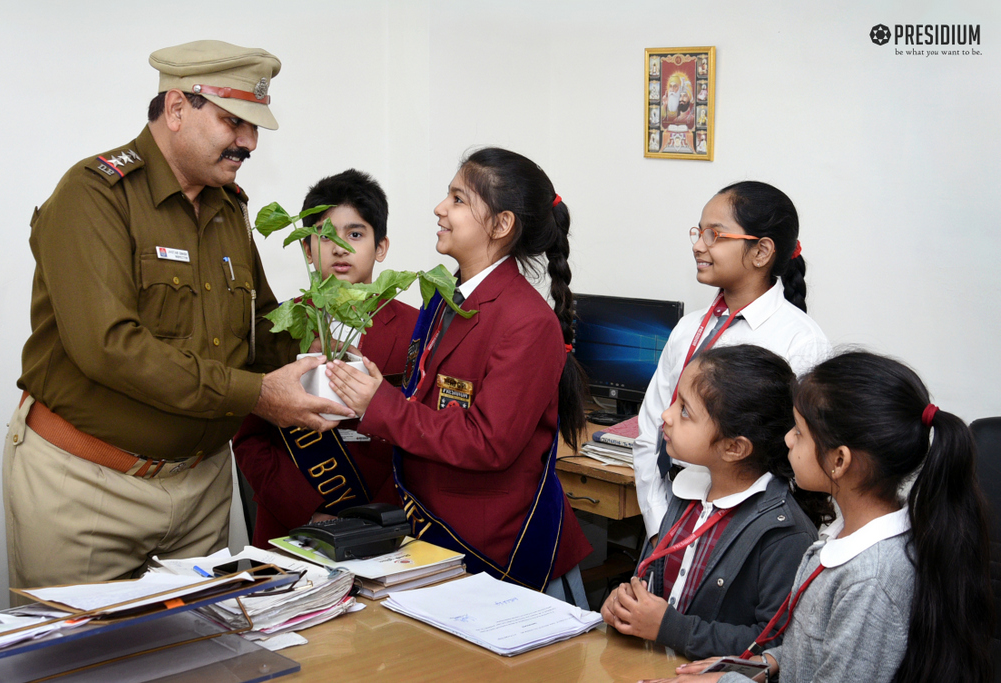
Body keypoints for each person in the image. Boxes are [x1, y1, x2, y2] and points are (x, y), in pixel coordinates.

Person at [3, 40, 351, 593]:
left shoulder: (227, 207)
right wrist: (258, 396)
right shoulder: (94, 196)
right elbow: (109, 347)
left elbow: (263, 326)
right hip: (90, 486)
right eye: (234, 121)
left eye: (256, 127)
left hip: (202, 487)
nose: (249, 142)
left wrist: (336, 362)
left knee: (202, 658)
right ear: (176, 108)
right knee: (84, 667)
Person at [326, 147, 594, 606]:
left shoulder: (527, 322)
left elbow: (489, 441)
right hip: (433, 531)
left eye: (457, 199)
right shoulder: (445, 298)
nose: (439, 209)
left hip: (497, 548)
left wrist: (381, 405)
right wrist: (369, 390)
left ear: (501, 224)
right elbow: (428, 403)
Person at [651, 351, 994, 682]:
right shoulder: (847, 535)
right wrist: (758, 666)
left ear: (839, 461)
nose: (787, 438)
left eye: (799, 432)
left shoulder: (870, 581)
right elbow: (815, 652)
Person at [633, 181, 832, 545]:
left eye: (714, 235)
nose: (698, 245)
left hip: (747, 533)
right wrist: (659, 525)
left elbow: (801, 455)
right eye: (699, 231)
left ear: (761, 252)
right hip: (669, 520)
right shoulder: (687, 328)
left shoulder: (801, 341)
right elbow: (649, 434)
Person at [603, 346, 830, 660]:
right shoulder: (687, 495)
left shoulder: (785, 533)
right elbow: (652, 586)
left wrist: (670, 628)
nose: (666, 416)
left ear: (734, 448)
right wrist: (624, 604)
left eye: (685, 411)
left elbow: (774, 646)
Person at [233, 169, 418, 548]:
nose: (339, 248)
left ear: (381, 247)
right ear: (306, 248)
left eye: (355, 234)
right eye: (324, 235)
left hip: (386, 521)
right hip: (291, 525)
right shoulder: (276, 327)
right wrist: (307, 510)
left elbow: (421, 433)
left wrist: (377, 514)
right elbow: (250, 438)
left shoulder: (418, 329)